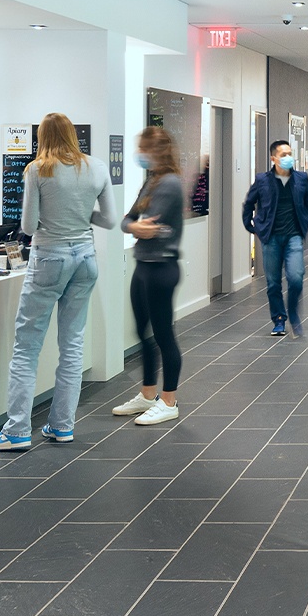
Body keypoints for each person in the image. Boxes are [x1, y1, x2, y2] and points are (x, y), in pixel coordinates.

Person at [0, 113, 115, 451]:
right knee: (72, 346)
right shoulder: (96, 167)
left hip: (49, 259)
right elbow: (110, 219)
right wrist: (83, 215)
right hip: (86, 259)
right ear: (73, 135)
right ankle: (62, 426)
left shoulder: (38, 170)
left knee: (27, 347)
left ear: (43, 137)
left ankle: (17, 432)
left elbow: (27, 225)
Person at [115, 126, 188, 426]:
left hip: (161, 268)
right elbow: (129, 221)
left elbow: (147, 223)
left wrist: (138, 226)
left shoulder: (170, 183)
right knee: (142, 332)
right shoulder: (151, 181)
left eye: (142, 149)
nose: (138, 155)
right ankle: (147, 394)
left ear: (156, 151)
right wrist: (136, 227)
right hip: (143, 264)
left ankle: (168, 400)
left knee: (162, 335)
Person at [244, 140, 308, 338]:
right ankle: (279, 319)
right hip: (271, 238)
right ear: (273, 158)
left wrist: (305, 223)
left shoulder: (301, 178)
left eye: (290, 153)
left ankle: (293, 314)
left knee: (296, 278)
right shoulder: (262, 180)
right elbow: (249, 203)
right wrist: (252, 226)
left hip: (293, 236)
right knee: (273, 283)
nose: (288, 158)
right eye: (283, 154)